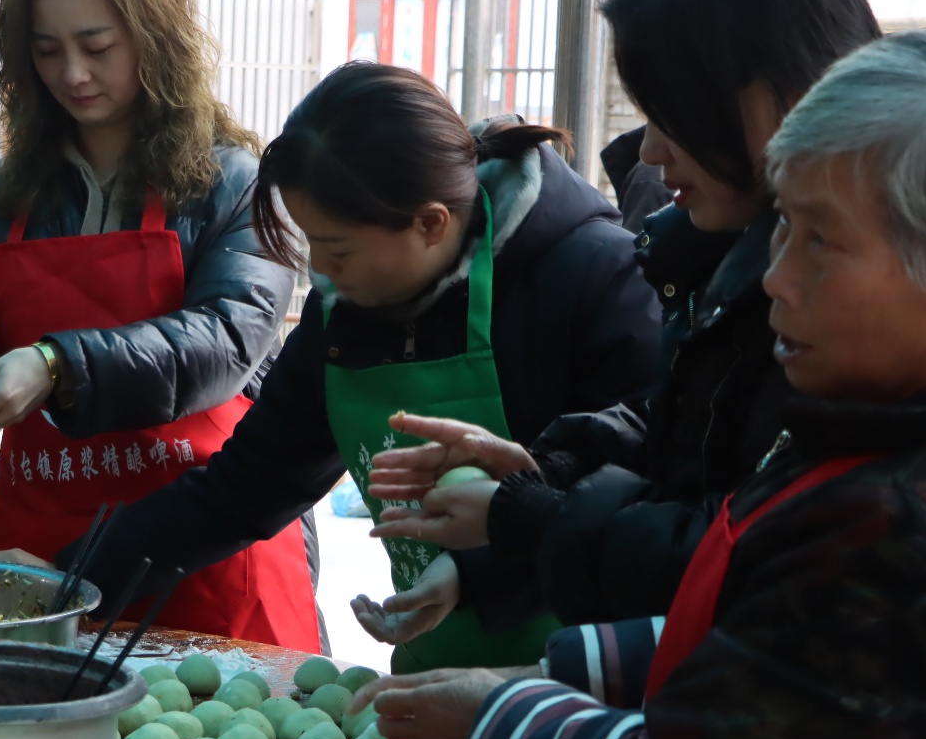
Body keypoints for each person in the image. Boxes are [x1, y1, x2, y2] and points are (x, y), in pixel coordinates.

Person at [346, 29, 926, 739]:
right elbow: (755, 650)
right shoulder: (840, 439)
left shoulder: (898, 525)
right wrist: (568, 663)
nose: (776, 280)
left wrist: (494, 718)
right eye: (781, 230)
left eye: (822, 241)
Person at [361, 0, 883, 632]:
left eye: (669, 116)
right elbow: (675, 427)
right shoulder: (717, 257)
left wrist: (531, 516)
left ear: (777, 94)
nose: (648, 153)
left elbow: (740, 555)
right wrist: (541, 474)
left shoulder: (847, 319)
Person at [70, 62, 662, 672]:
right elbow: (244, 487)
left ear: (430, 223)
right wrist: (71, 583)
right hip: (431, 683)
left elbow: (638, 498)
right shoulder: (349, 307)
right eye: (312, 244)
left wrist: (474, 571)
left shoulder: (596, 278)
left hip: (589, 686)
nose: (320, 274)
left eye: (339, 249)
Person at [0, 0, 318, 650]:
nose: (72, 74)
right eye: (47, 50)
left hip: (206, 544)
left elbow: (225, 339)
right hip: (43, 548)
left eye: (96, 45)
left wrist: (58, 365)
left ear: (154, 36)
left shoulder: (233, 182)